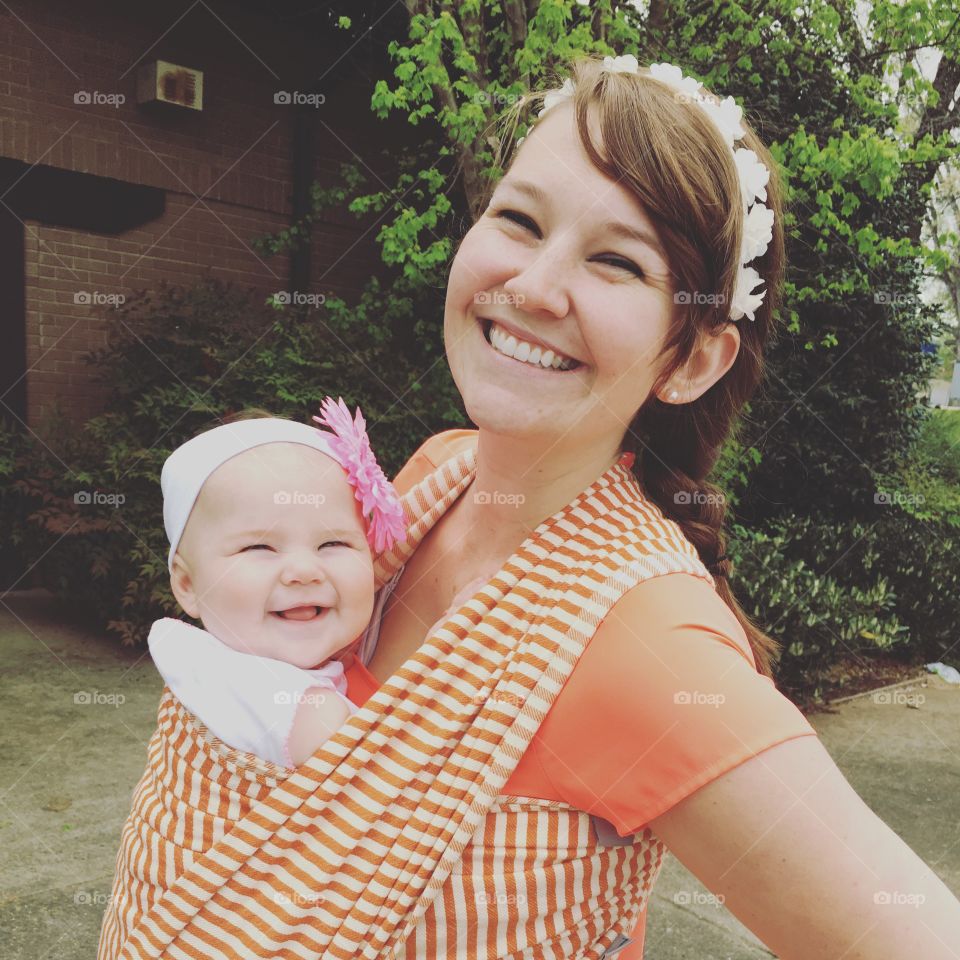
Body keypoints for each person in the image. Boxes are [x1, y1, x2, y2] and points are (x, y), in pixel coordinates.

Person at [99, 55, 960, 960]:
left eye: (617, 261)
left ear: (696, 359)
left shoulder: (649, 646)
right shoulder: (439, 476)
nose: (533, 287)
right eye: (518, 218)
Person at [96, 399, 407, 959]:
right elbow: (392, 804)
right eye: (259, 547)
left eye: (333, 543)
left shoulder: (198, 652)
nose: (303, 569)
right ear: (187, 585)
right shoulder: (282, 699)